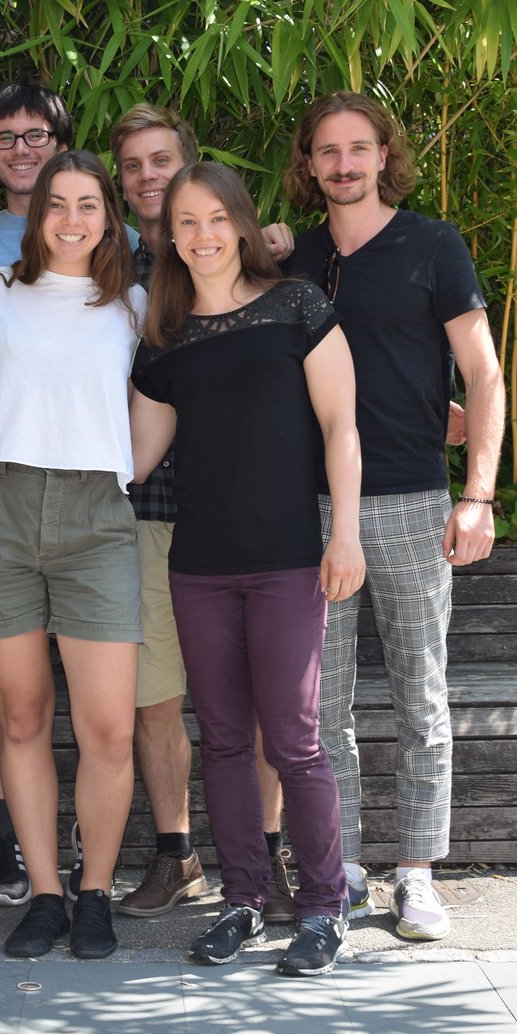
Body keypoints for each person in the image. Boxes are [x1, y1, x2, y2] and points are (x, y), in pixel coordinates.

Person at [131, 162, 363, 975]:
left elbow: (341, 426)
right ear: (170, 236)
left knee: (295, 740)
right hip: (198, 564)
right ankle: (242, 899)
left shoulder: (297, 305)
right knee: (225, 738)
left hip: (288, 558)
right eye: (183, 222)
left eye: (214, 219)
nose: (201, 236)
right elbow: (132, 455)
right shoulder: (165, 338)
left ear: (239, 222)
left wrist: (347, 536)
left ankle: (324, 907)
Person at [283, 91, 505, 941]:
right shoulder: (296, 259)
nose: (343, 164)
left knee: (420, 694)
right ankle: (339, 870)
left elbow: (482, 376)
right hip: (310, 508)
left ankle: (416, 873)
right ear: (308, 164)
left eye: (358, 149)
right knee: (321, 706)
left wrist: (478, 494)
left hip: (412, 498)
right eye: (327, 151)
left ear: (384, 155)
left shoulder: (431, 245)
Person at [0, 149, 146, 960]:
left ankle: (95, 890)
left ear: (110, 217)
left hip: (98, 516)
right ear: (36, 216)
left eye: (88, 205)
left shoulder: (135, 302)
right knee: (22, 719)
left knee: (107, 728)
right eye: (57, 204)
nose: (71, 219)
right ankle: (45, 893)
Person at [109, 104, 298, 923]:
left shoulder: (248, 262)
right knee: (158, 698)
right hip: (149, 512)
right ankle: (177, 853)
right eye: (134, 167)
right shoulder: (101, 265)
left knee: (259, 705)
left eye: (163, 161)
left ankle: (265, 857)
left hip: (249, 515)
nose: (149, 177)